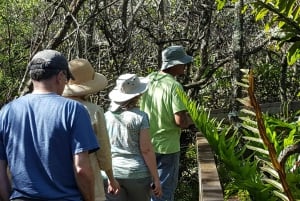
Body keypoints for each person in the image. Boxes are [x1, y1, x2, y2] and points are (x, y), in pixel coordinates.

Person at [0, 49, 99, 201]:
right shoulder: (73, 110)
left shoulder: (7, 112)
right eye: (66, 78)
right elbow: (82, 169)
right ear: (60, 76)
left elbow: (1, 170)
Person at [140, 45, 194, 201]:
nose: (185, 65)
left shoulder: (147, 80)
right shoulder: (174, 86)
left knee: (149, 192)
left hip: (146, 145)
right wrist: (192, 121)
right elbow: (180, 121)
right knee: (163, 193)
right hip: (167, 148)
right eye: (183, 62)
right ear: (174, 64)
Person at [63, 58, 120, 200]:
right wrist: (111, 178)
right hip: (89, 170)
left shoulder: (56, 107)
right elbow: (103, 149)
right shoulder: (94, 110)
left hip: (61, 175)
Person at [104, 73, 162, 201]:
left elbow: (104, 146)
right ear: (137, 95)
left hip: (112, 172)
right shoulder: (140, 117)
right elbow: (146, 150)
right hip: (137, 174)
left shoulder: (106, 116)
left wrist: (108, 176)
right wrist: (156, 178)